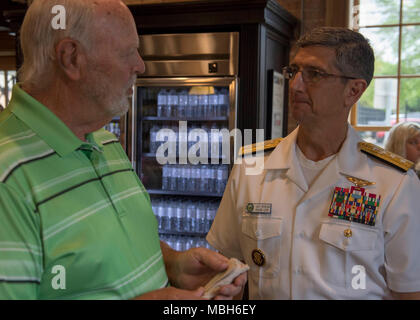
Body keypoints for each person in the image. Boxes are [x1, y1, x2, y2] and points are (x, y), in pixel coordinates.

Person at [0, 0, 245, 299]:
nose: (139, 65)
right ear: (71, 58)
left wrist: (173, 265)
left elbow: (114, 249)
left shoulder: (103, 140)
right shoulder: (7, 176)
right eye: (128, 51)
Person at [207, 27, 420, 299]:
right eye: (294, 71)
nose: (295, 85)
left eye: (314, 74)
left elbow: (410, 292)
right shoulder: (251, 168)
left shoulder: (395, 183)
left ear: (353, 91)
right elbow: (230, 274)